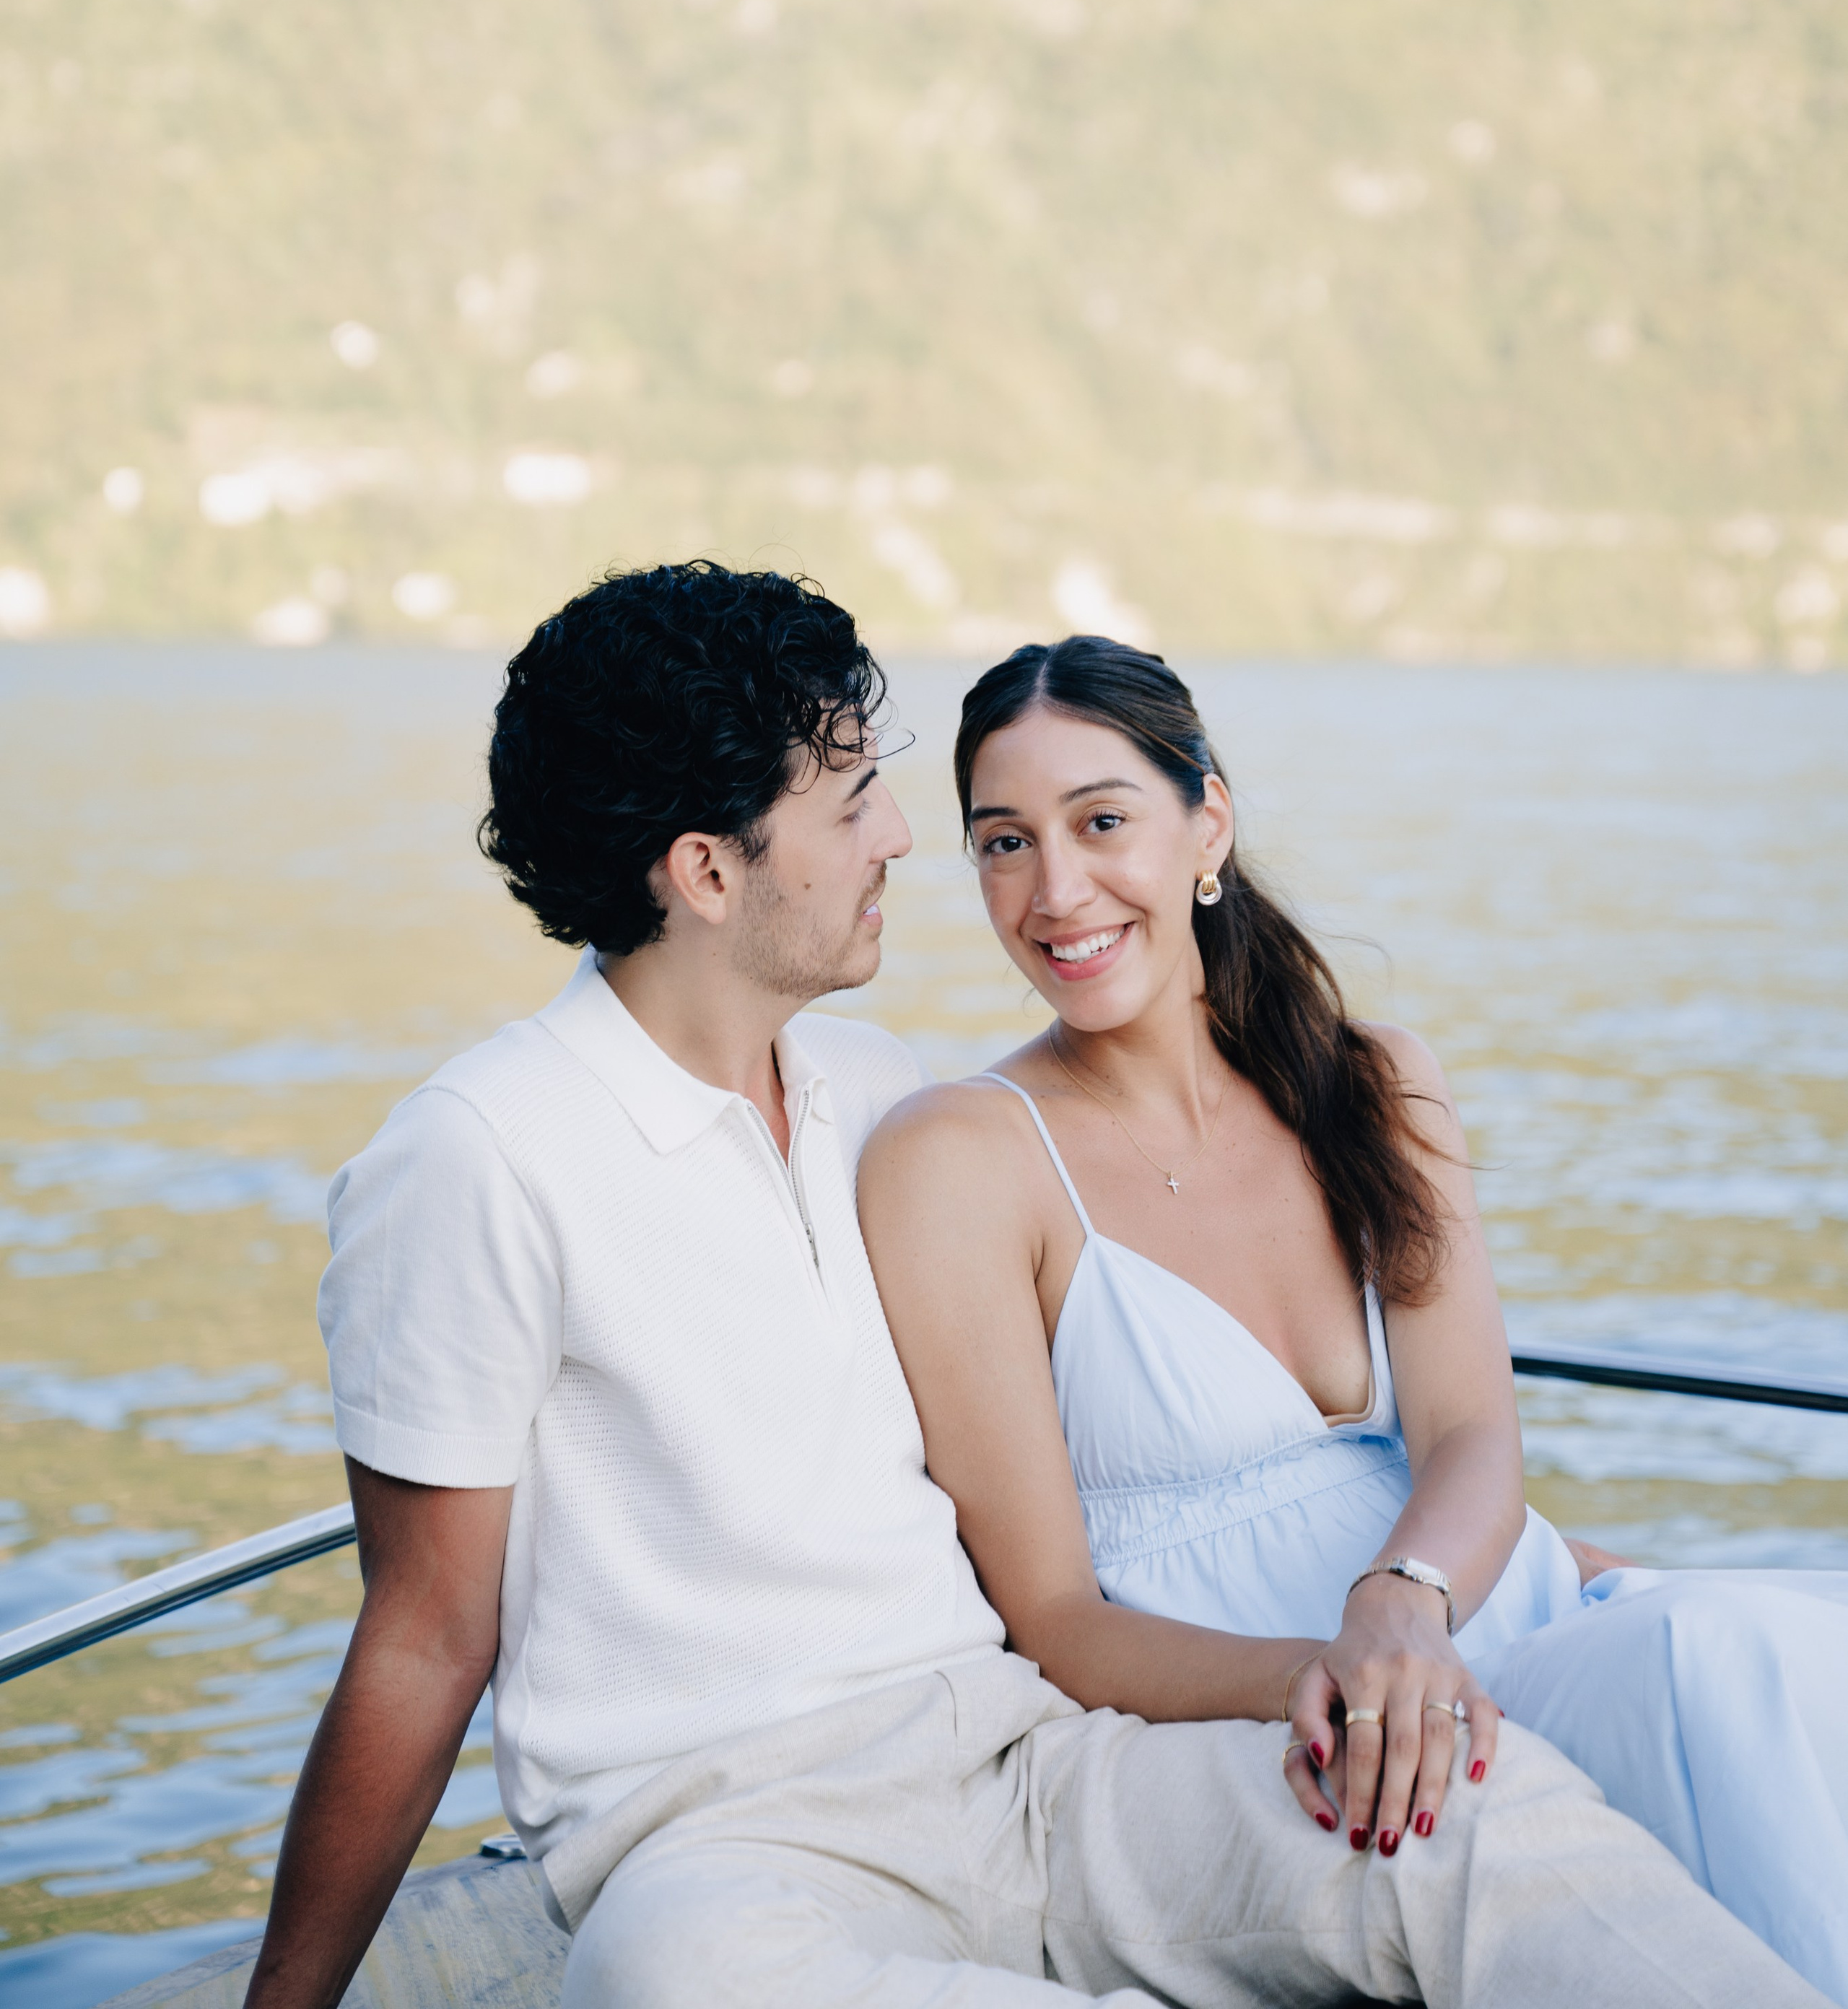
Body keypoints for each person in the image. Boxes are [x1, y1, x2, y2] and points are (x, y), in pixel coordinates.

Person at [245, 566, 1829, 2009]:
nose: (899, 837)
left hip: (1031, 1766)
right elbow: (423, 1638)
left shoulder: (869, 1088)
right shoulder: (476, 1156)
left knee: (1468, 1819)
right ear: (708, 872)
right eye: (854, 800)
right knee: (669, 1985)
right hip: (731, 1837)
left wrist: (1393, 1637)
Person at [857, 632, 1848, 2008]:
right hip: (1317, 1709)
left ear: (1207, 824)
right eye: (1004, 844)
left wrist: (1403, 1603)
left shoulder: (1374, 1084)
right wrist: (1338, 1674)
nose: (1056, 891)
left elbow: (1472, 1434)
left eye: (1102, 822)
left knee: (1754, 1650)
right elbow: (1055, 1617)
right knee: (1720, 1661)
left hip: (1491, 1619)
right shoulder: (961, 1157)